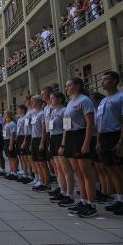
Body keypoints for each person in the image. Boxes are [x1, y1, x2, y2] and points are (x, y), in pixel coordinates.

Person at [61, 77, 96, 217]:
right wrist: (64, 143)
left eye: (69, 85)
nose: (67, 88)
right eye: (66, 86)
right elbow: (66, 125)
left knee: (86, 172)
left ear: (78, 86)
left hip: (81, 135)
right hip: (71, 137)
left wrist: (87, 142)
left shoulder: (84, 100)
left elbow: (90, 124)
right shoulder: (69, 103)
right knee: (77, 173)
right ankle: (83, 200)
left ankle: (91, 204)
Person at [96, 71, 123, 215]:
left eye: (105, 80)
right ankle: (119, 199)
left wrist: (120, 142)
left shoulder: (121, 97)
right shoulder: (103, 101)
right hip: (104, 136)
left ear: (114, 81)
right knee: (110, 169)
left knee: (119, 169)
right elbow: (100, 122)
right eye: (102, 80)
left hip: (116, 135)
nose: (102, 82)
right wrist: (99, 141)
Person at [3, 110, 18, 180]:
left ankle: (15, 172)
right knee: (9, 157)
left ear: (8, 115)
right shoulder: (6, 124)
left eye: (5, 114)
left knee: (12, 157)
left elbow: (12, 134)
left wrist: (11, 144)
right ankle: (11, 171)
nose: (4, 115)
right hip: (6, 140)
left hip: (10, 141)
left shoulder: (12, 124)